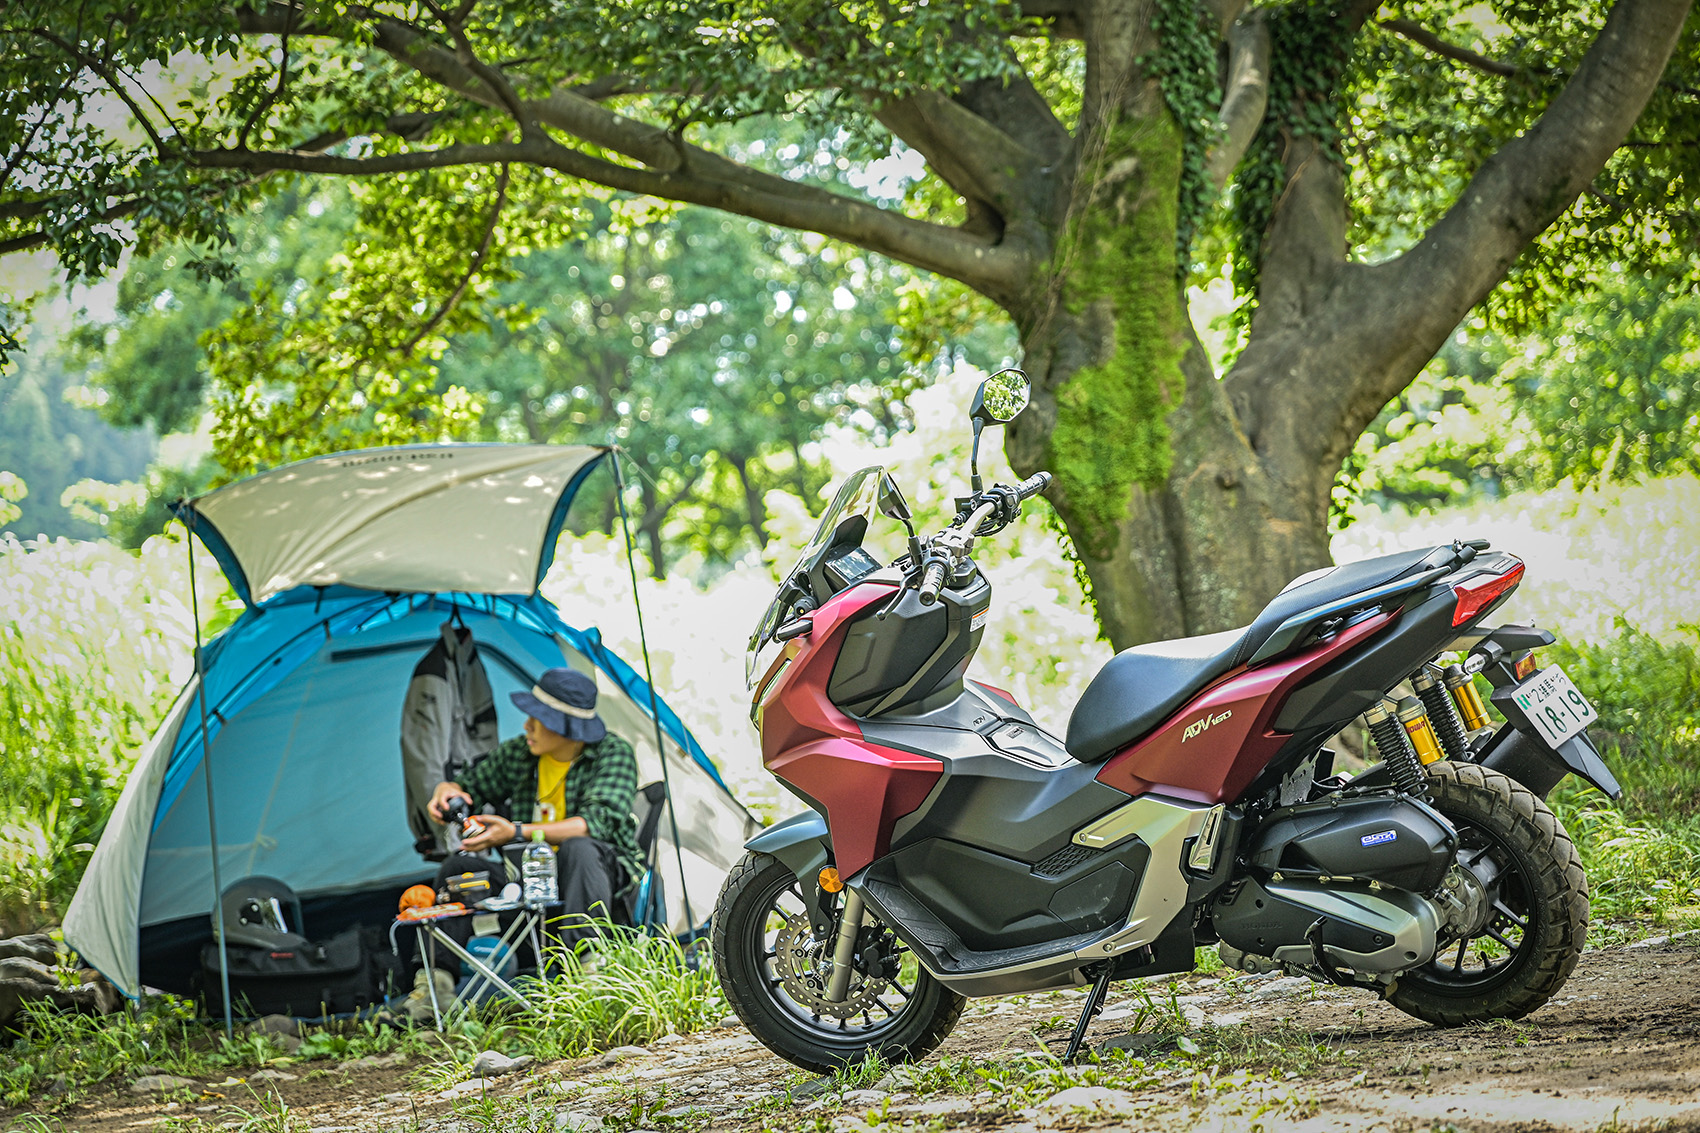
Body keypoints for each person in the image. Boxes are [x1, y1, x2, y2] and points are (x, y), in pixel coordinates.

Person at [427, 667, 645, 947]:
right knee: (456, 867)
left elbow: (591, 826)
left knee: (579, 847)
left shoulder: (613, 754)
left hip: (596, 874)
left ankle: (590, 963)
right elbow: (470, 786)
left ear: (565, 726)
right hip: (528, 875)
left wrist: (515, 832)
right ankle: (436, 978)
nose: (526, 725)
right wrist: (448, 790)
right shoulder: (521, 753)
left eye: (538, 718)